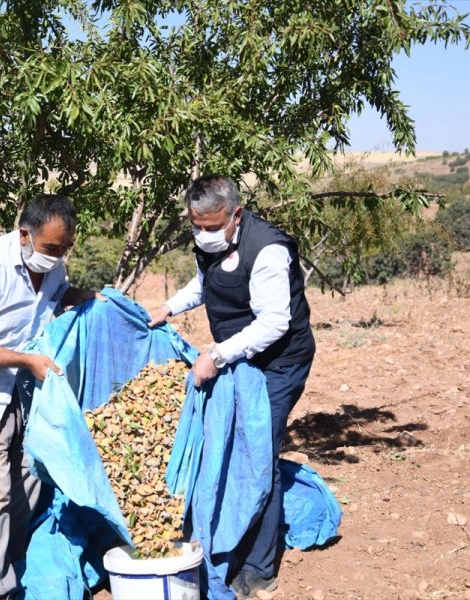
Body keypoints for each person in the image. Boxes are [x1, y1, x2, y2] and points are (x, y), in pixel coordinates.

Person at [147, 175, 316, 599]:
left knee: (260, 451)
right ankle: (228, 530)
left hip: (279, 362)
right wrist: (167, 307)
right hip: (240, 357)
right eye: (196, 226)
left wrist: (218, 356)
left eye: (211, 226)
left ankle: (259, 569)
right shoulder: (212, 243)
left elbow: (275, 323)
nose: (203, 235)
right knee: (233, 444)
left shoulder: (268, 251)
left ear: (235, 214)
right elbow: (206, 285)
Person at [0, 194, 102, 599]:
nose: (58, 256)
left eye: (65, 249)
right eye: (51, 248)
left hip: (20, 391)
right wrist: (28, 361)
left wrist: (75, 297)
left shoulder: (52, 264)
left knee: (26, 482)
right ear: (24, 234)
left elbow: (51, 298)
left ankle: (13, 563)